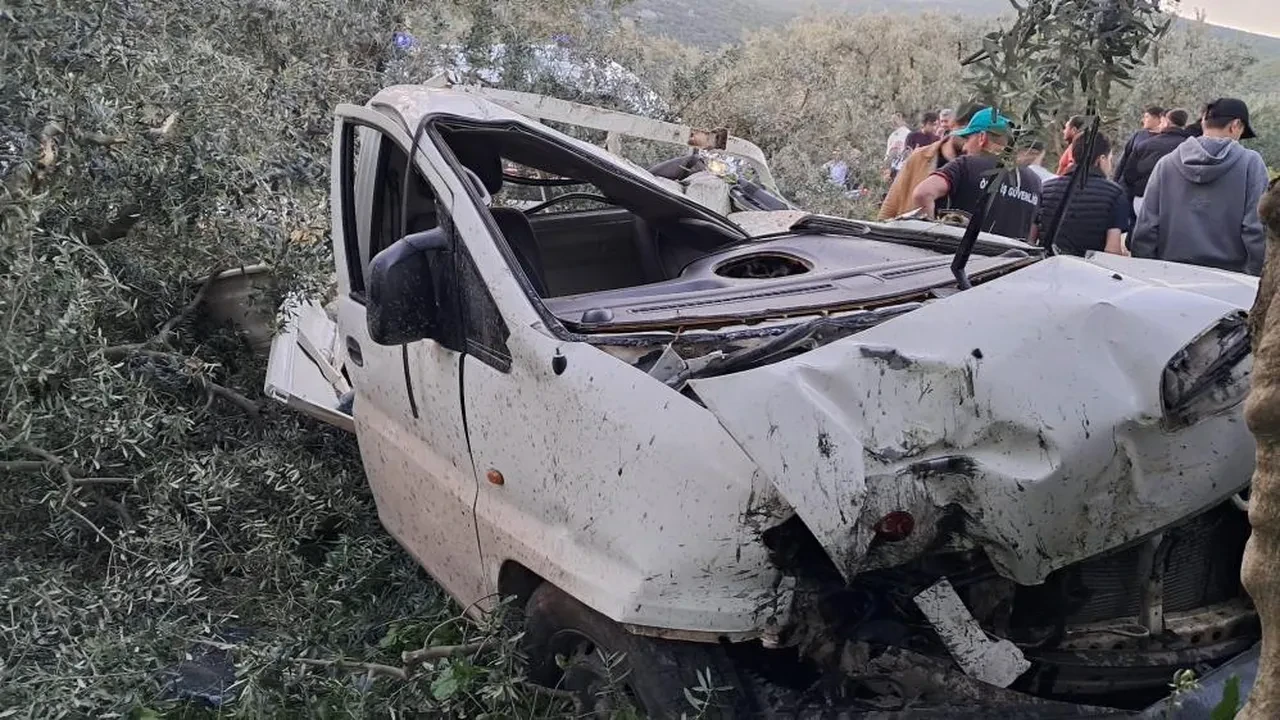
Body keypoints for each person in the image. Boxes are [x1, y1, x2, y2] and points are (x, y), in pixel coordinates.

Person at [1130, 98, 1269, 276]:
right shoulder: (1251, 163)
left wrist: (1147, 274)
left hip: (1170, 278)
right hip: (1230, 281)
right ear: (1235, 125)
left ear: (1203, 122)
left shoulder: (1166, 164)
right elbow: (1255, 228)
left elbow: (1147, 227)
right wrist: (1253, 277)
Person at [910, 107, 1043, 240]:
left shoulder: (965, 165)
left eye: (968, 138)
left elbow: (922, 193)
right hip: (1008, 259)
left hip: (959, 256)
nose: (964, 147)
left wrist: (931, 238)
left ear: (982, 138)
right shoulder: (1035, 182)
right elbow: (1031, 233)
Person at [1030, 133, 1128, 256]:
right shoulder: (1115, 195)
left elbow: (1031, 240)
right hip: (1086, 270)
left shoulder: (1046, 188)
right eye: (1110, 159)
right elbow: (1112, 250)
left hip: (1045, 265)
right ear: (1101, 159)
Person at [878, 106, 977, 220]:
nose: (969, 138)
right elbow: (891, 204)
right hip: (913, 233)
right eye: (966, 130)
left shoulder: (977, 167)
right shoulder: (920, 157)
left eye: (976, 134)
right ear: (953, 125)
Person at [1122, 108, 1193, 217]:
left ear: (1166, 122)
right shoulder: (1191, 146)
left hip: (1144, 197)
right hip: (1177, 201)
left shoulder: (1145, 144)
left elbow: (1129, 174)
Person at [1112, 105, 1165, 185]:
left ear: (1158, 119)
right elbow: (1124, 158)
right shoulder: (1138, 135)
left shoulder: (1166, 139)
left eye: (1147, 117)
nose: (1143, 120)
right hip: (1128, 182)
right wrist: (1116, 180)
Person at [884, 113, 911, 180]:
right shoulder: (909, 134)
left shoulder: (892, 136)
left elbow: (888, 155)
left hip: (895, 168)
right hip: (903, 167)